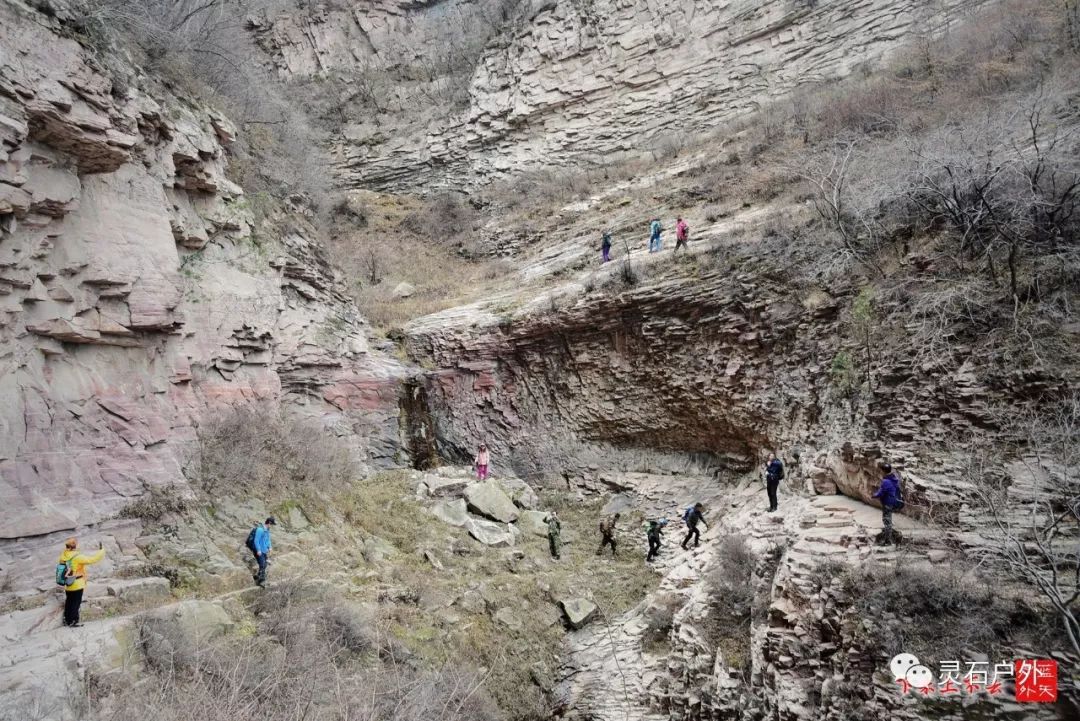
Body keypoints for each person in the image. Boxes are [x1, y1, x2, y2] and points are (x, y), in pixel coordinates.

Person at [57, 537, 106, 627]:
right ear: (75, 546)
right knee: (76, 603)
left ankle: (67, 620)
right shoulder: (77, 557)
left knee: (69, 601)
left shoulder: (63, 555)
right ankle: (72, 622)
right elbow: (92, 559)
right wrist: (102, 551)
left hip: (68, 583)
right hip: (77, 583)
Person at [872, 463, 903, 545]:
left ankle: (888, 541)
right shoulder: (894, 478)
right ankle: (889, 537)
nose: (881, 472)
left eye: (881, 470)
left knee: (886, 520)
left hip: (887, 503)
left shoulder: (886, 481)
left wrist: (873, 495)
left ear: (883, 471)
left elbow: (881, 493)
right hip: (893, 501)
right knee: (888, 519)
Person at [252, 517, 276, 587]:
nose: (272, 526)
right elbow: (256, 540)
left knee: (264, 564)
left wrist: (270, 547)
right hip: (258, 550)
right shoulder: (260, 530)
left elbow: (268, 539)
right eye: (272, 524)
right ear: (269, 523)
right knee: (262, 564)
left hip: (264, 550)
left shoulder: (267, 530)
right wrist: (258, 550)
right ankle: (261, 581)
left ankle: (258, 576)